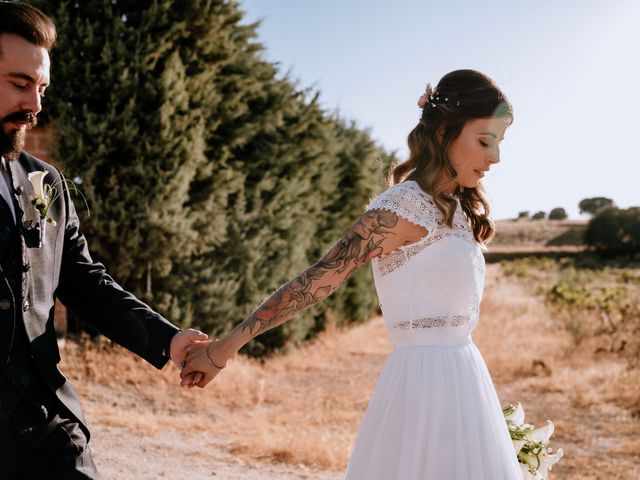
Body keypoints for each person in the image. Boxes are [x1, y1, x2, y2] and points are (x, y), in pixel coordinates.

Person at [182, 69, 523, 478]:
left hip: (468, 382)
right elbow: (318, 279)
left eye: (500, 143)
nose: (496, 158)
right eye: (486, 141)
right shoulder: (403, 206)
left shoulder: (462, 212)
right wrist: (226, 347)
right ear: (443, 133)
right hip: (419, 388)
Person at [0, 3, 207, 478]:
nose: (34, 104)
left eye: (42, 88)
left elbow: (85, 283)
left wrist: (169, 341)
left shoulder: (44, 182)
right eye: (19, 83)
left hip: (47, 427)